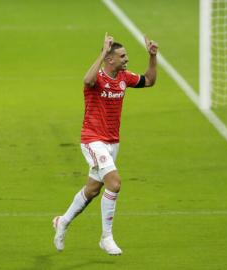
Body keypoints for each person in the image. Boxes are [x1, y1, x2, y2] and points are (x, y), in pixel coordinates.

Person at [52, 33, 158, 255]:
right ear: (110, 59)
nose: (126, 59)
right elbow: (87, 80)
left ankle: (63, 221)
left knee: (92, 190)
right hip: (92, 140)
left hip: (112, 143)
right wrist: (102, 51)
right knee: (115, 183)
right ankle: (106, 237)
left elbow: (149, 80)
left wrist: (152, 57)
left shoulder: (124, 78)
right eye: (122, 56)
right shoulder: (97, 79)